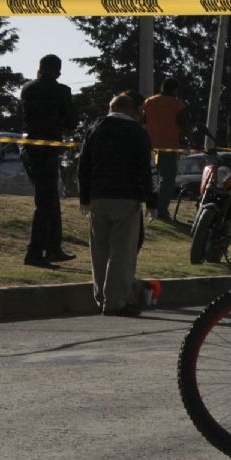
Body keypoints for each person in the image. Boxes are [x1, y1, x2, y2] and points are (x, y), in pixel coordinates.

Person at [77, 94, 156, 317]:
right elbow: (147, 169)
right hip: (126, 197)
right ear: (134, 111)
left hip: (97, 197)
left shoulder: (95, 128)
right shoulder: (137, 132)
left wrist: (84, 197)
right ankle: (116, 301)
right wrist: (151, 201)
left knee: (99, 251)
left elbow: (84, 164)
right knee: (122, 252)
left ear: (110, 107)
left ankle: (100, 296)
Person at [19, 54, 76, 267]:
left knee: (50, 200)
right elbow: (71, 121)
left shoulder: (27, 88)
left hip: (30, 148)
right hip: (48, 151)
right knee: (46, 203)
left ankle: (53, 248)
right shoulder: (61, 91)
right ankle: (35, 253)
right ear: (58, 71)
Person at [140, 78, 191, 220]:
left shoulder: (149, 102)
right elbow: (186, 125)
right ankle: (161, 210)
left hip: (149, 147)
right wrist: (190, 141)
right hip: (168, 147)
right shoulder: (177, 104)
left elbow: (141, 121)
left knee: (149, 177)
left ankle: (146, 207)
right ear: (175, 89)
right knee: (167, 180)